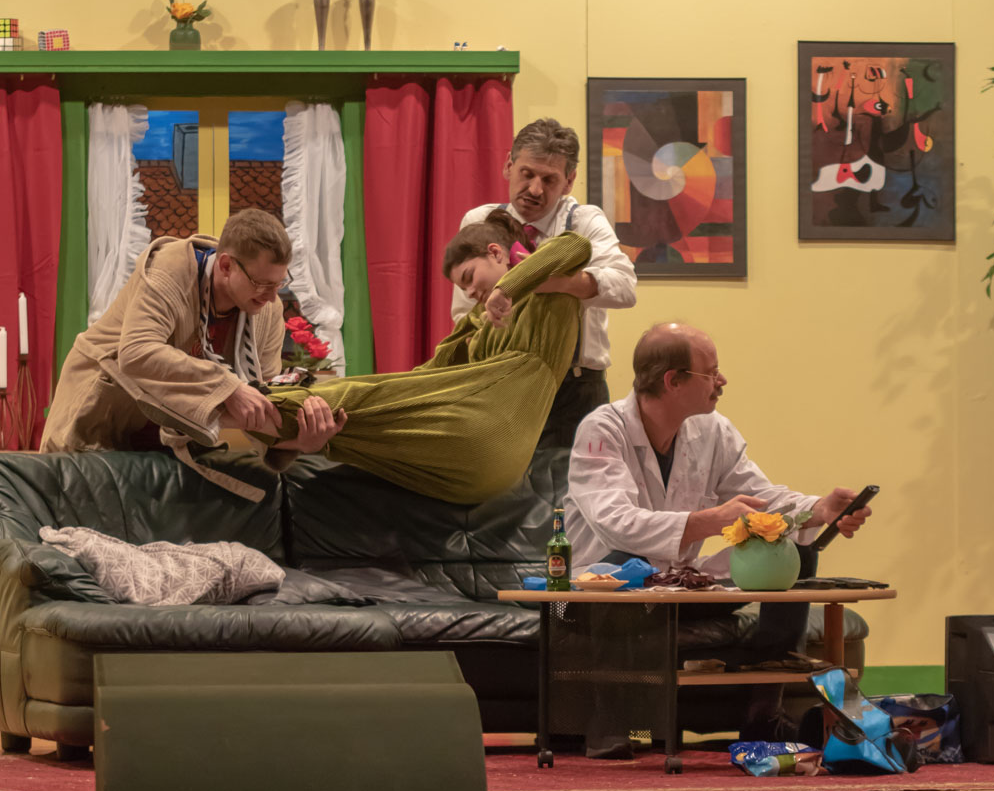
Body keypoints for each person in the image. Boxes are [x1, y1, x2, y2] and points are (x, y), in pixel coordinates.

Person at [563, 322, 873, 750]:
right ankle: (622, 731)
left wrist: (818, 509)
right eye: (711, 373)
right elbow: (616, 523)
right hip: (601, 593)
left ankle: (763, 717)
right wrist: (711, 520)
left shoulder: (713, 431)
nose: (722, 381)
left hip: (675, 588)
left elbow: (761, 498)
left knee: (792, 549)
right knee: (620, 562)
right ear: (673, 381)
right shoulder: (602, 430)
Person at [245, 211, 593, 503]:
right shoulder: (478, 320)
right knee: (357, 417)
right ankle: (258, 421)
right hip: (468, 468)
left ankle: (239, 405)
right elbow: (424, 376)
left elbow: (575, 245)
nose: (471, 291)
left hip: (491, 433)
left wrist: (507, 289)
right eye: (463, 287)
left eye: (470, 277)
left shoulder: (552, 290)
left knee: (361, 398)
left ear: (496, 253)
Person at [41, 208, 339, 478]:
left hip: (166, 442)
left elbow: (262, 401)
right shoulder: (171, 268)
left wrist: (297, 441)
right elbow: (137, 352)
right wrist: (229, 387)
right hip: (97, 420)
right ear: (226, 266)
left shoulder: (267, 309)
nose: (272, 296)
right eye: (262, 284)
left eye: (279, 284)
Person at [451, 118, 637, 448]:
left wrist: (559, 282)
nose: (535, 189)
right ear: (508, 165)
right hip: (501, 382)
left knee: (573, 481)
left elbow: (625, 287)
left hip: (575, 389)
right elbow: (464, 313)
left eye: (549, 180)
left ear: (569, 181)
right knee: (507, 480)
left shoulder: (583, 222)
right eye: (527, 174)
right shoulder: (479, 221)